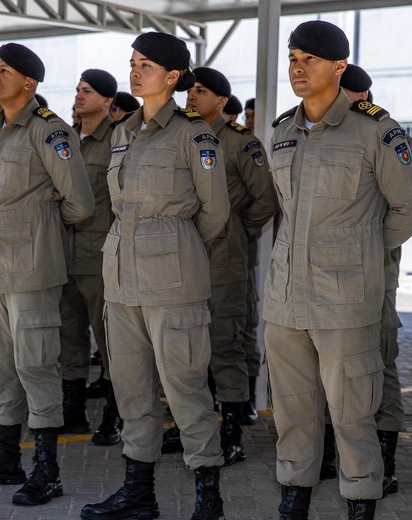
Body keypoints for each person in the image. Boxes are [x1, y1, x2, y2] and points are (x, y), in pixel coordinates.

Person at [265, 21, 412, 520]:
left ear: (338, 67)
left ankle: (360, 503)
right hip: (285, 299)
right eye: (292, 57)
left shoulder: (376, 130)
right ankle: (294, 499)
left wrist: (357, 254)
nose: (297, 67)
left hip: (344, 300)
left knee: (352, 413)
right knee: (293, 412)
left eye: (309, 59)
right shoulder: (283, 130)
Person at [80, 31, 230, 520]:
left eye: (145, 64)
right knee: (130, 390)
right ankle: (138, 493)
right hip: (121, 278)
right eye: (132, 61)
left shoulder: (194, 132)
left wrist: (175, 245)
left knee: (186, 389)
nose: (134, 69)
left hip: (173, 279)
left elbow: (215, 213)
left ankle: (209, 497)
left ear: (171, 76)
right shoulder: (123, 133)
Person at [0, 43, 94, 506]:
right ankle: (4, 458)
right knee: (0, 369)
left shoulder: (50, 132)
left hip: (32, 270)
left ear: (29, 82)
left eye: (4, 71)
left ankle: (46, 469)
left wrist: (38, 228)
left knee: (36, 367)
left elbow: (80, 204)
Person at [162, 66, 277, 466]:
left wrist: (237, 233)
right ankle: (190, 423)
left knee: (225, 342)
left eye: (202, 91)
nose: (192, 96)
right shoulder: (180, 134)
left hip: (223, 260)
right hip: (180, 257)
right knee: (185, 345)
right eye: (190, 90)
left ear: (222, 101)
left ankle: (230, 432)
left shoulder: (240, 143)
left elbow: (265, 198)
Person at [339, 63, 412, 497]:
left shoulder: (383, 132)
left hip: (372, 273)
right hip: (323, 278)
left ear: (358, 96)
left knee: (378, 362)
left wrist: (366, 247)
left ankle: (385, 458)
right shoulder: (312, 131)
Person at [58, 68, 121, 445]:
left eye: (88, 91)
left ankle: (115, 415)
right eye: (78, 89)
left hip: (100, 259)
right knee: (70, 338)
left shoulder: (118, 139)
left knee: (110, 339)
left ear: (108, 101)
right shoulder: (64, 138)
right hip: (64, 255)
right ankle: (73, 410)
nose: (80, 96)